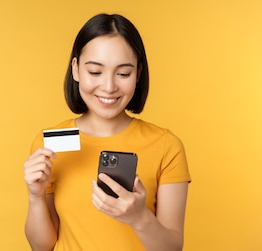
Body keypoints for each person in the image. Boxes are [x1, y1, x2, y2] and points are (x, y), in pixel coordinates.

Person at [23, 13, 191, 251]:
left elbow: (172, 248)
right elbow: (42, 247)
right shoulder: (51, 143)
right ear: (76, 69)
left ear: (138, 74)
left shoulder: (165, 145)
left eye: (123, 73)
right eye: (95, 72)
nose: (109, 87)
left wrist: (138, 217)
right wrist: (35, 196)